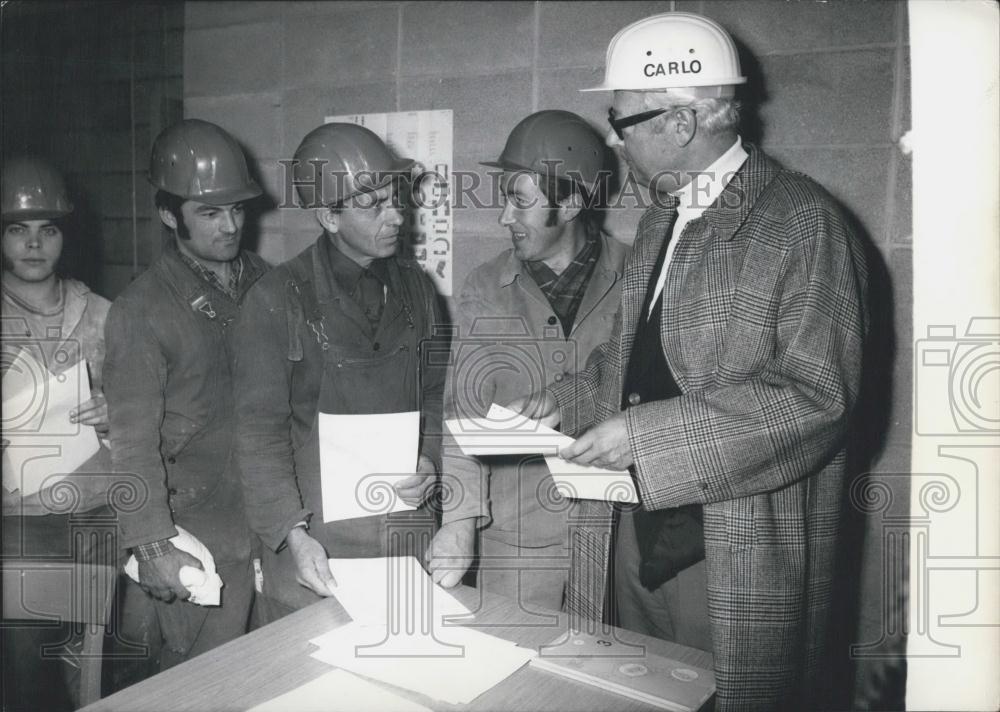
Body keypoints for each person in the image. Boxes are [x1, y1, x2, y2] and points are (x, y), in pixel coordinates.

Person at [511, 12, 869, 711]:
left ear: (679, 121)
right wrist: (571, 398)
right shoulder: (659, 221)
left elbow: (816, 398)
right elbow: (629, 361)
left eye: (622, 122)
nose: (614, 139)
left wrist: (644, 438)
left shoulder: (801, 221)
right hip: (631, 533)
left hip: (731, 547)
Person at [232, 123, 445, 622]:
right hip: (315, 554)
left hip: (404, 541)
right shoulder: (275, 298)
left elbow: (435, 395)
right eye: (374, 204)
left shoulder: (418, 290)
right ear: (329, 216)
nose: (397, 215)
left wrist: (430, 459)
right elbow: (259, 433)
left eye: (397, 198)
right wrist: (291, 534)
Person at [425, 110, 629, 614]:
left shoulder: (639, 275)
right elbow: (461, 415)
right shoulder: (485, 288)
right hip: (517, 540)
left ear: (573, 202)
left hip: (619, 536)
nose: (503, 218)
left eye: (520, 202)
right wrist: (458, 523)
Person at [102, 119, 269, 671]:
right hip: (190, 546)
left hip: (265, 532)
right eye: (209, 212)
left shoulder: (270, 286)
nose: (230, 226)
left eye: (238, 209)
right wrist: (151, 547)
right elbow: (130, 444)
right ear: (169, 214)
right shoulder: (142, 308)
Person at [1, 157, 115, 711]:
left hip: (97, 509)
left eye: (48, 230)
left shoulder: (101, 314)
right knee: (27, 667)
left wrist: (117, 411)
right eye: (17, 229)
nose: (33, 244)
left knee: (99, 661)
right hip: (18, 518)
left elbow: (151, 412)